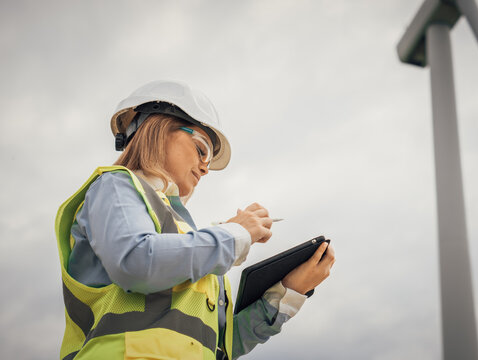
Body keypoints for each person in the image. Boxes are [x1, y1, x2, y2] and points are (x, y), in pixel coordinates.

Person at [54, 80, 336, 360]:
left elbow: (220, 347)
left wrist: (288, 293)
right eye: (202, 149)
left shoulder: (191, 252)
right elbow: (136, 260)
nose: (205, 167)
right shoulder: (115, 186)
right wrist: (234, 234)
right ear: (158, 129)